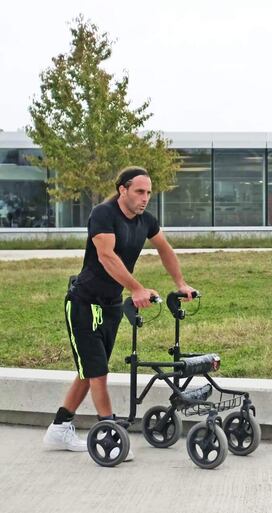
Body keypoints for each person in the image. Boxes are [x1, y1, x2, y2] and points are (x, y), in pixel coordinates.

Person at [42, 167, 196, 454]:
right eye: (139, 191)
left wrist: (181, 283)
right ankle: (109, 434)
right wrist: (137, 288)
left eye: (149, 192)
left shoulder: (146, 221)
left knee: (89, 371)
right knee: (97, 372)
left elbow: (164, 249)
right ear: (122, 190)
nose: (145, 198)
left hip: (111, 305)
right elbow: (106, 256)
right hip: (84, 302)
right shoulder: (104, 214)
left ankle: (59, 429)